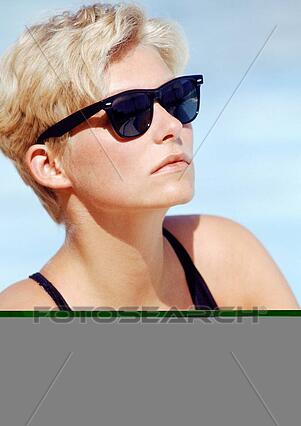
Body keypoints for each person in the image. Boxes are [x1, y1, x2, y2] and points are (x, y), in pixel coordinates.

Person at [0, 2, 298, 311]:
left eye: (176, 99)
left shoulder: (226, 257)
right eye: (129, 112)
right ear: (50, 166)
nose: (172, 126)